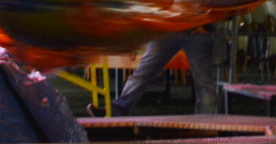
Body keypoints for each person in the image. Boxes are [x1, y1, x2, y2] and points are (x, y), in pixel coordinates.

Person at [92, 24, 220, 117]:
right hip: (178, 26)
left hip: (186, 26)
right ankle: (117, 109)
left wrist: (208, 25)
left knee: (203, 80)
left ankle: (118, 108)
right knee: (144, 71)